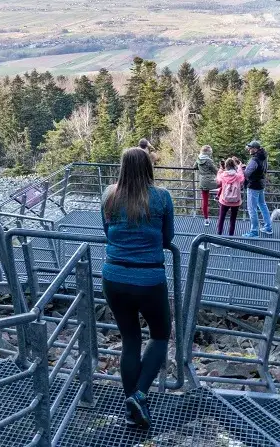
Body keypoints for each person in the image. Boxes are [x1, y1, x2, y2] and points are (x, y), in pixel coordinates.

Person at [101, 147, 174, 428]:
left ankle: (133, 407)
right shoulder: (161, 198)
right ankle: (140, 395)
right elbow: (167, 237)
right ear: (148, 168)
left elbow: (107, 233)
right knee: (159, 335)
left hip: (114, 277)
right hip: (149, 278)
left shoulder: (109, 196)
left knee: (130, 339)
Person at [242, 140, 273, 238]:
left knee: (252, 209)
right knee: (262, 205)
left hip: (253, 186)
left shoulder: (254, 160)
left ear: (255, 149)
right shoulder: (264, 157)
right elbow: (265, 169)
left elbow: (246, 173)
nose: (249, 150)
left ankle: (254, 231)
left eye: (250, 148)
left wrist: (242, 168)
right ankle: (268, 227)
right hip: (261, 184)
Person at [215, 158, 244, 236]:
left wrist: (221, 169)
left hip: (225, 200)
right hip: (236, 201)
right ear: (234, 165)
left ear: (226, 166)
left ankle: (219, 235)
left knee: (221, 218)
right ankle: (230, 237)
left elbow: (218, 180)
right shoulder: (238, 176)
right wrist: (239, 167)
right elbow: (242, 178)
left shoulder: (223, 175)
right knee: (233, 219)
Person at [196, 145, 219, 226]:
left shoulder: (198, 159)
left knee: (204, 201)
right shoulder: (209, 160)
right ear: (208, 152)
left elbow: (194, 167)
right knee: (223, 184)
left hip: (202, 182)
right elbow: (216, 171)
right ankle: (218, 196)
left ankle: (206, 220)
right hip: (210, 181)